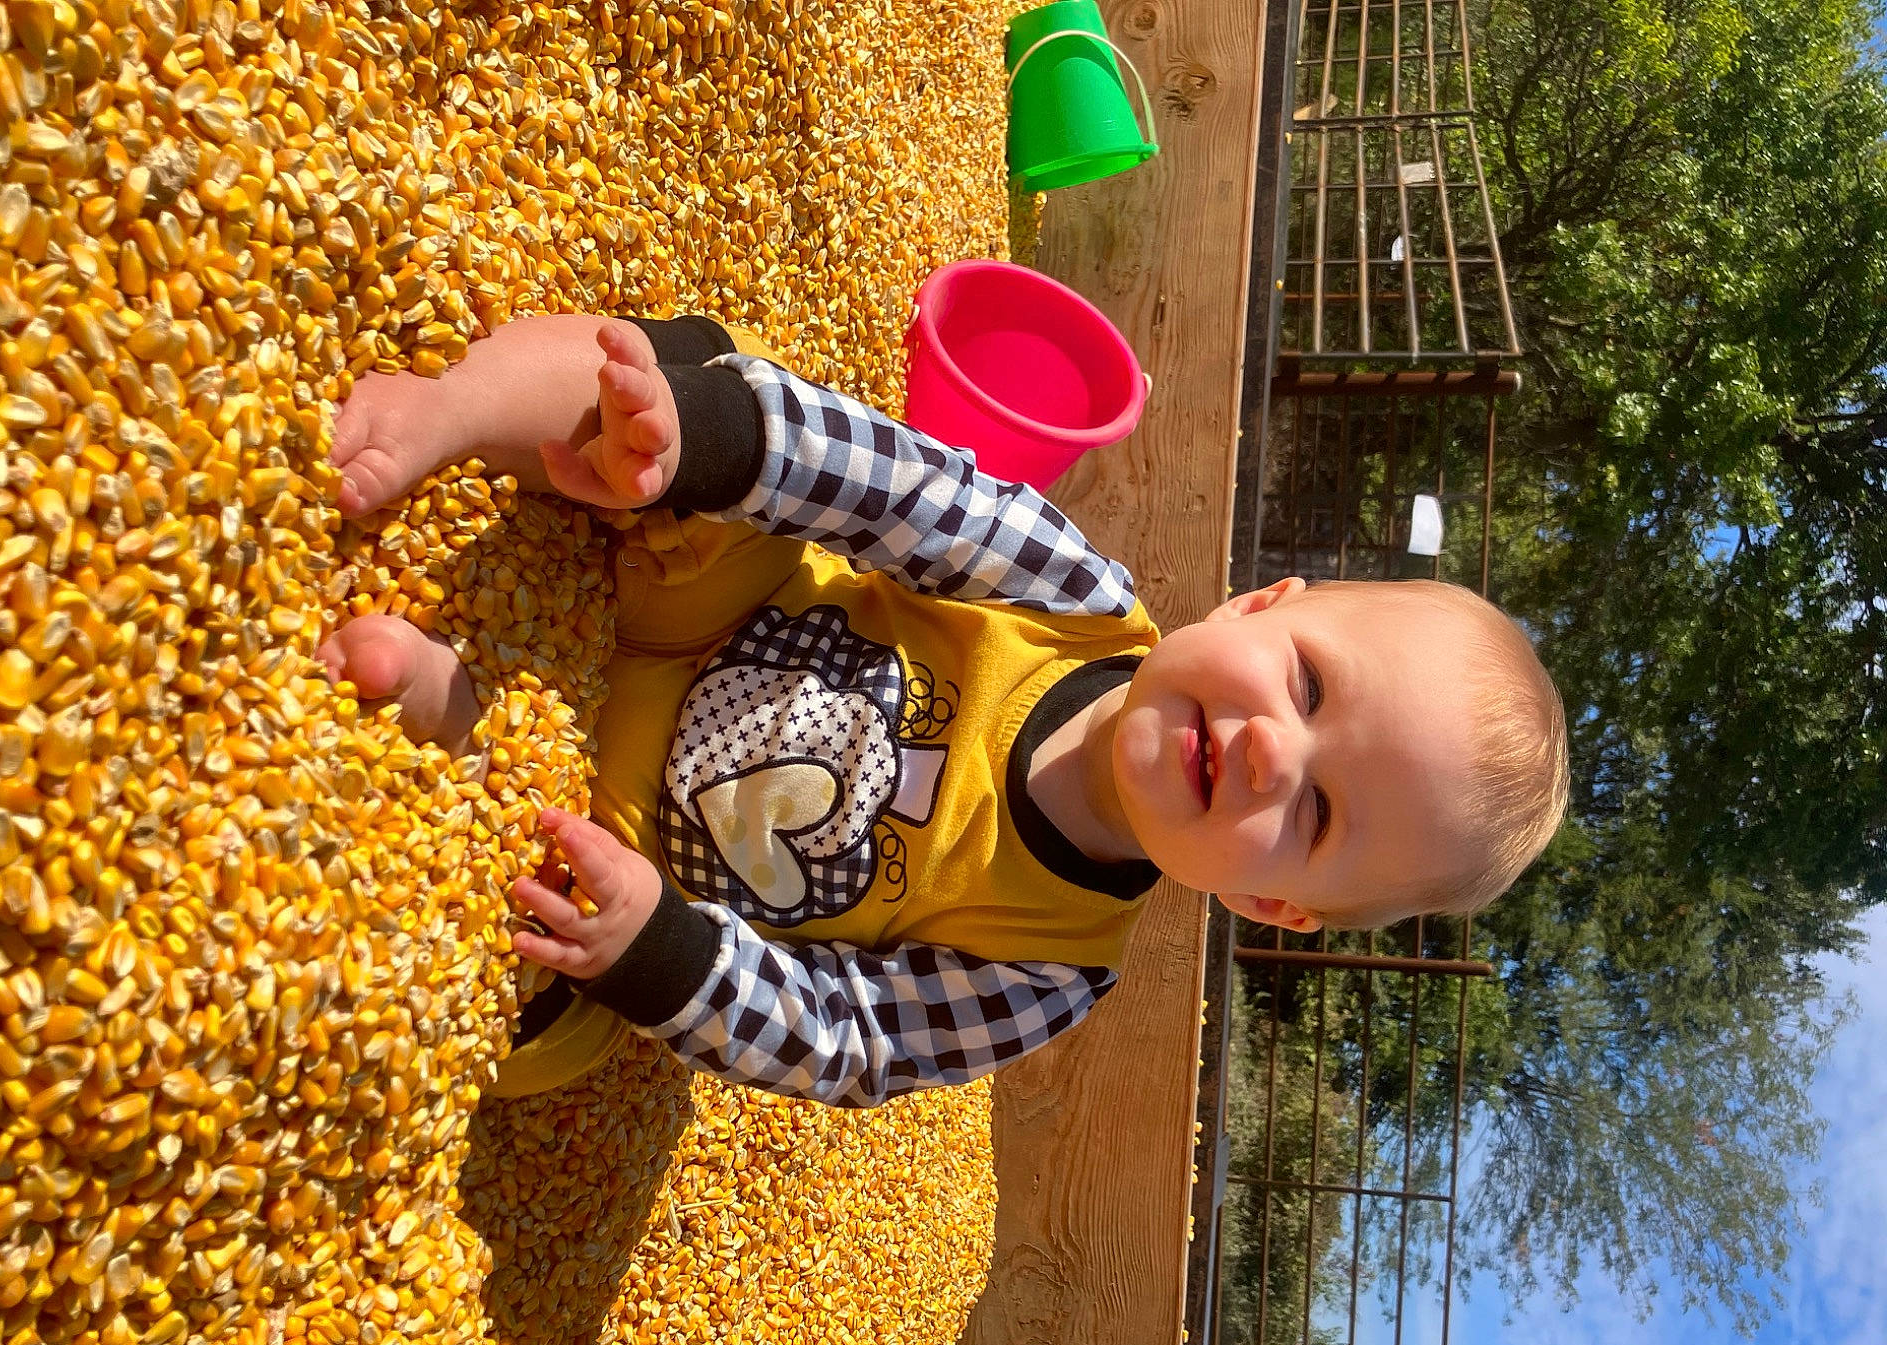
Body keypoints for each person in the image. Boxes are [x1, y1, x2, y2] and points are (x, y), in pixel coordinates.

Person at [319, 314, 1569, 1106]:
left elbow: (855, 1040)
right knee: (680, 374)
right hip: (693, 602)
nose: (1264, 751)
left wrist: (666, 953)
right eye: (1304, 685)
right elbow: (898, 492)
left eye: (1315, 810)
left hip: (642, 851)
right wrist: (697, 448)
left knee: (545, 1033)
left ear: (1267, 906)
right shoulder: (1075, 601)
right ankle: (453, 411)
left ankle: (461, 714)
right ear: (1255, 605)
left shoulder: (1049, 969)